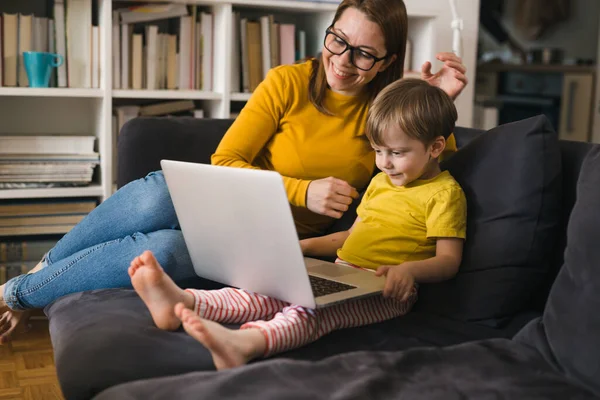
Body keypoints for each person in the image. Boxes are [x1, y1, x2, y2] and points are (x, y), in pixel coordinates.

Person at [0, 0, 468, 343]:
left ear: (388, 61)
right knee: (160, 191)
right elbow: (224, 162)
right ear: (328, 32)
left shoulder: (386, 115)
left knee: (165, 247)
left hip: (266, 247)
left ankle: (17, 292)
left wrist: (439, 102)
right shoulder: (288, 81)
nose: (343, 61)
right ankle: (35, 279)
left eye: (364, 54)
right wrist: (302, 192)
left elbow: (423, 172)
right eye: (338, 40)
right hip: (224, 210)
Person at [128, 78, 467, 370]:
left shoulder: (444, 194)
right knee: (261, 293)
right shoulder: (381, 182)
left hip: (388, 293)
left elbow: (449, 261)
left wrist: (408, 271)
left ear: (436, 147)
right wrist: (300, 248)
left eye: (396, 153)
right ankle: (183, 303)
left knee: (310, 312)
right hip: (343, 272)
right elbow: (350, 236)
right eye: (378, 151)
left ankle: (246, 344)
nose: (385, 163)